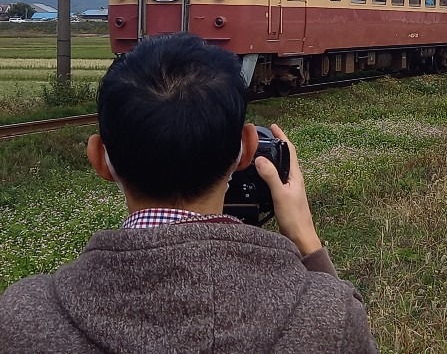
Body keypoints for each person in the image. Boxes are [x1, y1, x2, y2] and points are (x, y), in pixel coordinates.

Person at [0, 32, 378, 353]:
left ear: (99, 158)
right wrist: (307, 241)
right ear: (247, 150)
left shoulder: (23, 318)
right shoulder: (329, 316)